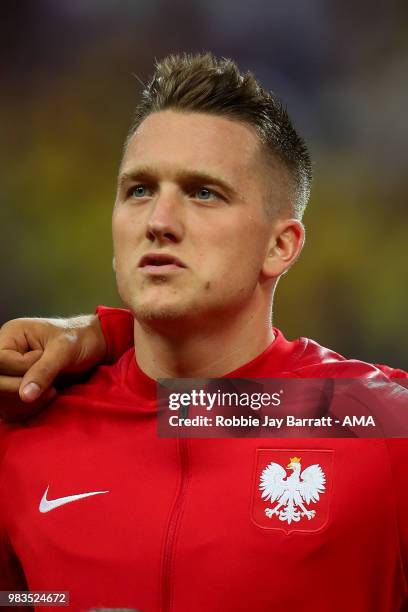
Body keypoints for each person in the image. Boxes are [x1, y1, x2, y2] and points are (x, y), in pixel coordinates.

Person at [0, 53, 407, 612]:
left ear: (280, 246)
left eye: (203, 193)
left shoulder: (373, 423)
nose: (158, 221)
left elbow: (195, 407)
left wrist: (99, 330)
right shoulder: (26, 428)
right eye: (139, 190)